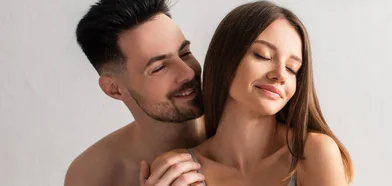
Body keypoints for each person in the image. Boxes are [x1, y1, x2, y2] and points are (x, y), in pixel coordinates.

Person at [149, 1, 354, 185]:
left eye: (292, 68)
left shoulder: (313, 152)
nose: (280, 75)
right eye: (262, 55)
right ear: (225, 59)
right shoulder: (179, 169)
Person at [65, 0, 207, 185]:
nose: (187, 73)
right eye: (159, 68)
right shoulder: (91, 176)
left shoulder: (249, 129)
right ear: (114, 89)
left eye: (185, 54)